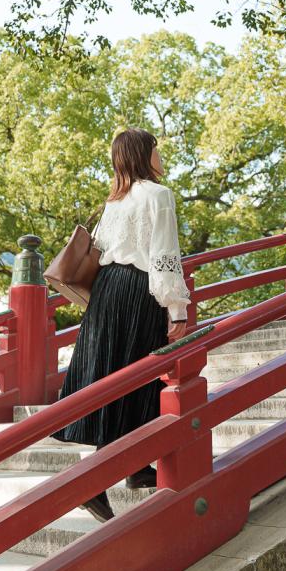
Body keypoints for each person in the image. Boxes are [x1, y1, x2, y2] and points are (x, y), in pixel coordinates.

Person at [56, 129, 193, 521]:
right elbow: (164, 256)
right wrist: (177, 309)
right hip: (137, 291)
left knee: (113, 380)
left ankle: (131, 469)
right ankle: (99, 480)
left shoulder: (114, 202)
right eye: (156, 149)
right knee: (137, 378)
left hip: (106, 292)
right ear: (142, 154)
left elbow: (101, 249)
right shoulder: (158, 196)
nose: (160, 155)